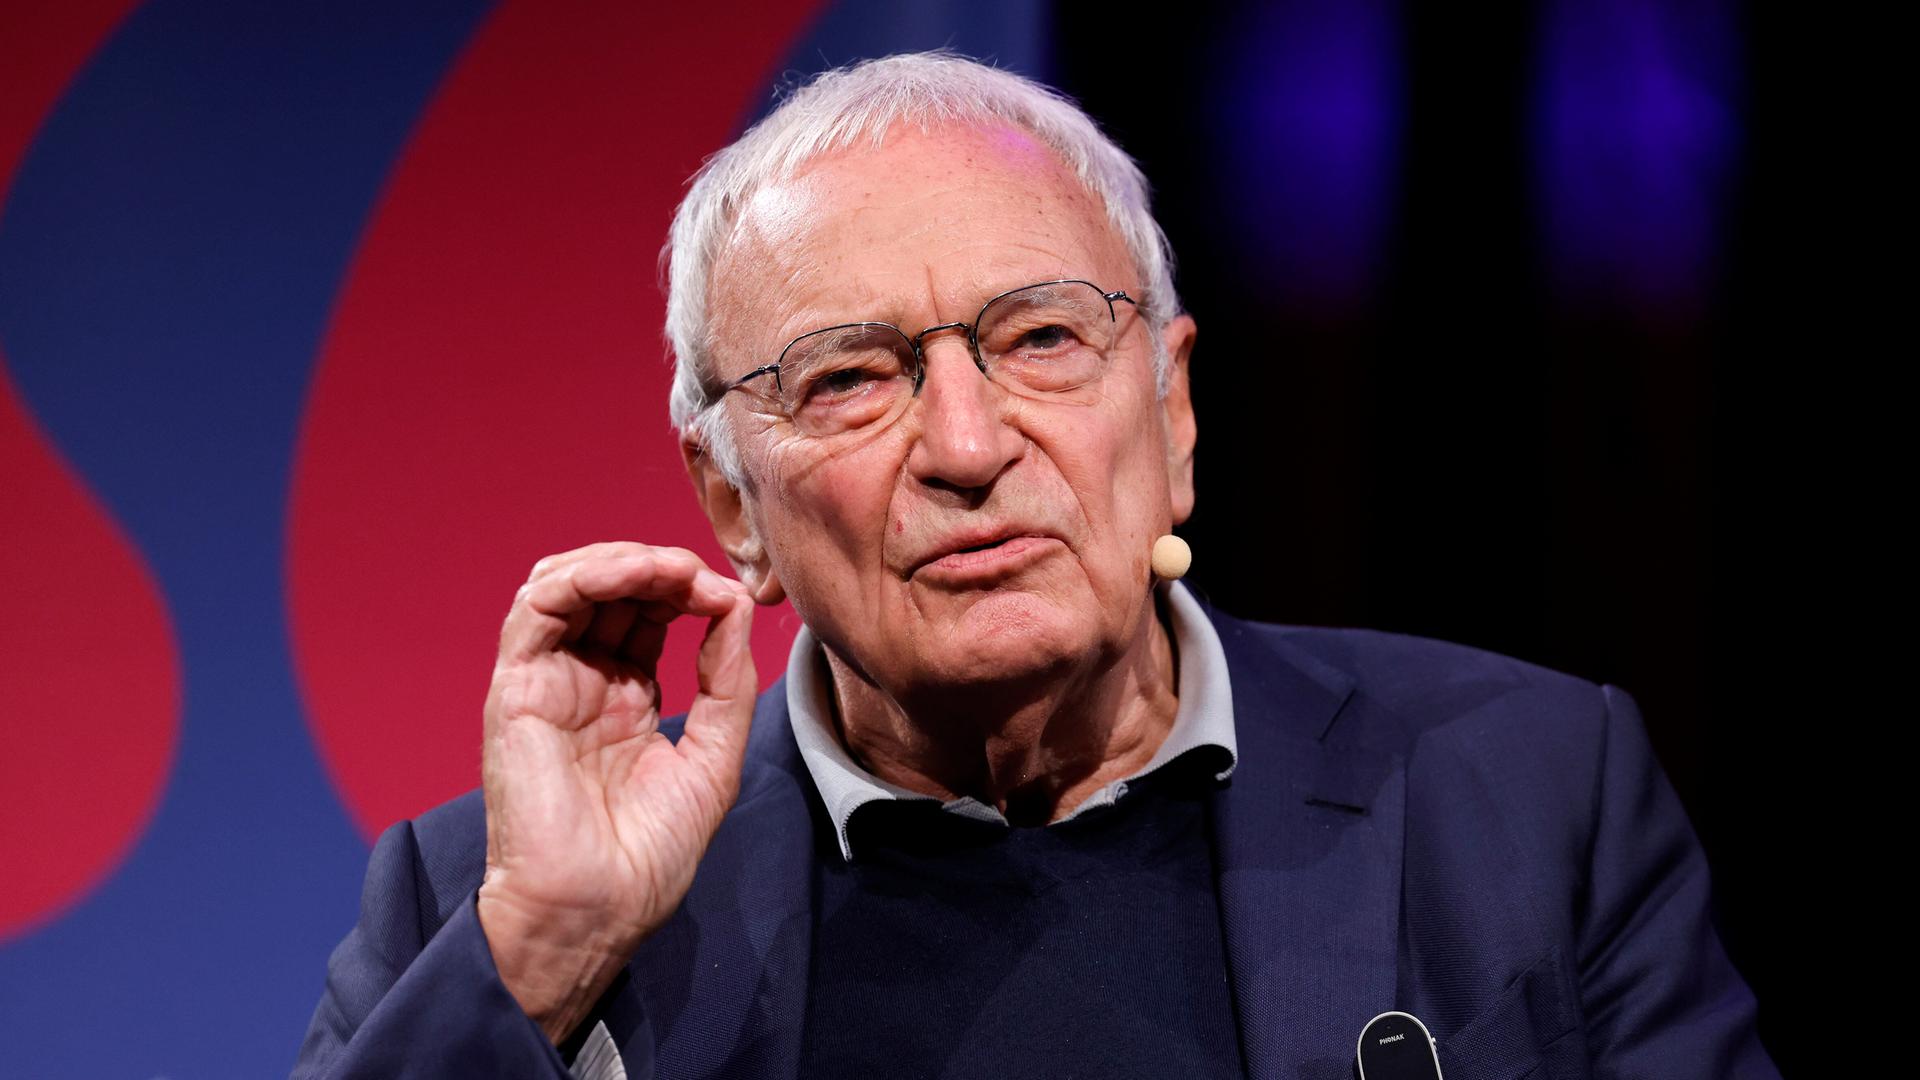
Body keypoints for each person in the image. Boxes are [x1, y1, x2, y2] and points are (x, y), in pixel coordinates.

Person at [293, 53, 1776, 1079]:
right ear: (730, 503)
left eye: (1043, 337)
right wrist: (545, 955)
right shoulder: (488, 902)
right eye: (848, 377)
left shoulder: (1524, 794)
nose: (965, 441)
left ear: (1174, 412)